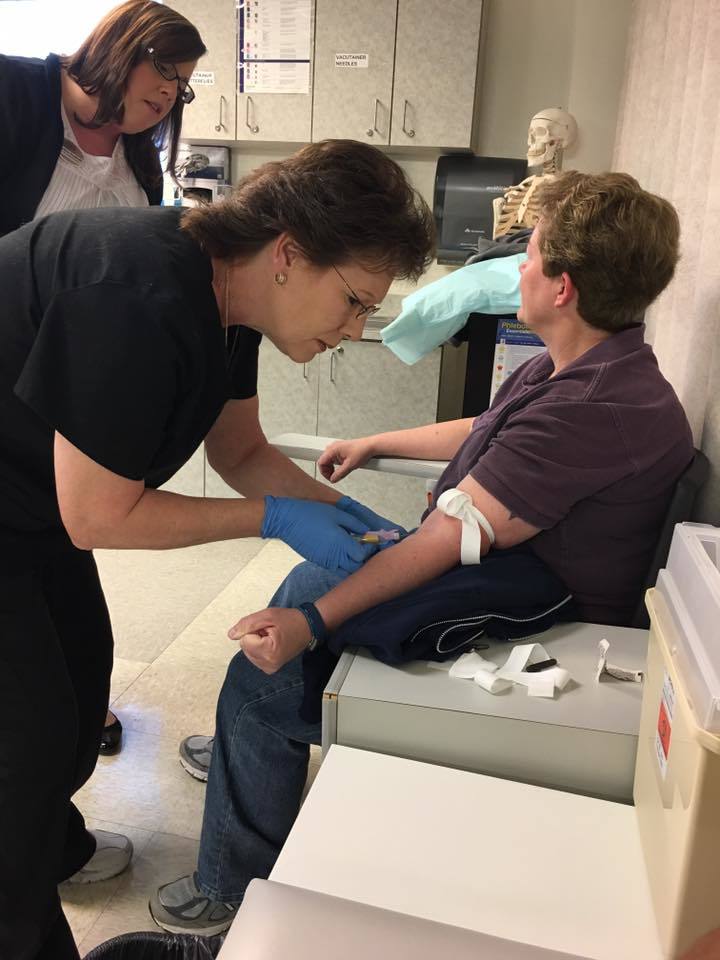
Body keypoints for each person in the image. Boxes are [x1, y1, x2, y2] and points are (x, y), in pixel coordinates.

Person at [152, 170, 695, 936]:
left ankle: (230, 886)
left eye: (531, 255)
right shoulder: (590, 365)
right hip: (517, 570)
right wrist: (376, 441)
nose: (520, 269)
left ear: (564, 287)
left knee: (263, 676)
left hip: (547, 620)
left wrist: (310, 625)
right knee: (318, 571)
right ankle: (253, 751)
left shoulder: (592, 409)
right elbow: (486, 431)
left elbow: (448, 538)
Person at [0, 139, 434, 960]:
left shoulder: (226, 302)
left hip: (31, 511)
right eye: (353, 301)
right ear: (289, 254)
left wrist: (355, 520)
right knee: (21, 741)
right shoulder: (134, 293)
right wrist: (271, 519)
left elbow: (241, 453)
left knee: (80, 689)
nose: (354, 329)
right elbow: (98, 515)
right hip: (36, 509)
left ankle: (44, 850)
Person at [0, 0, 207, 758]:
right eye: (166, 75)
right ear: (126, 48)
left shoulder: (139, 153)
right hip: (8, 356)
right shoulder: (16, 95)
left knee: (70, 549)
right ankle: (48, 722)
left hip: (66, 382)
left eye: (182, 88)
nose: (170, 98)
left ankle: (73, 708)